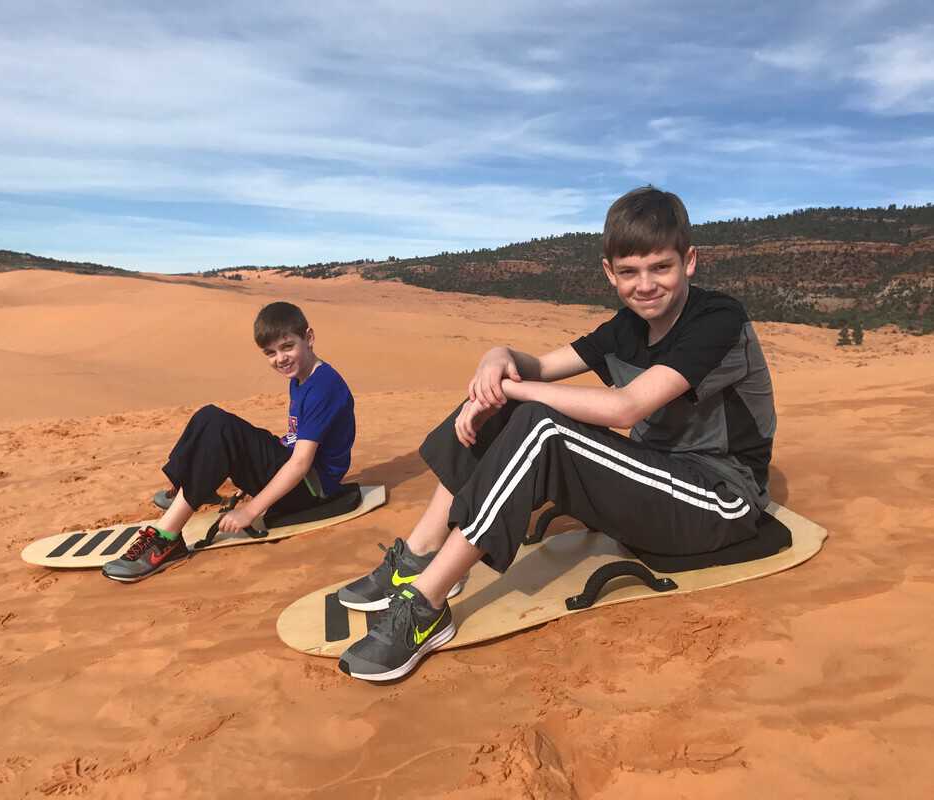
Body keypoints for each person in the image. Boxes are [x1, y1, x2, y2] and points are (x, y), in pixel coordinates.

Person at [336, 186, 776, 681]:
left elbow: (626, 407)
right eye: (629, 272)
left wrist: (515, 390)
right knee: (501, 400)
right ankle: (418, 556)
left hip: (720, 499)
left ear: (689, 262)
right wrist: (496, 358)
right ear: (610, 273)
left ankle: (426, 608)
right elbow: (541, 365)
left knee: (538, 419)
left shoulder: (717, 319)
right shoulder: (628, 326)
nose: (646, 284)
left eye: (661, 267)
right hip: (656, 479)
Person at [102, 301, 356, 582]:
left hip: (311, 489)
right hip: (297, 468)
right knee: (208, 416)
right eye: (270, 353)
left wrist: (250, 510)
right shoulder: (302, 377)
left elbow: (300, 464)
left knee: (220, 426)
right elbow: (296, 440)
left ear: (308, 337)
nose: (279, 358)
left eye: (287, 346)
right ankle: (189, 486)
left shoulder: (323, 386)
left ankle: (166, 539)